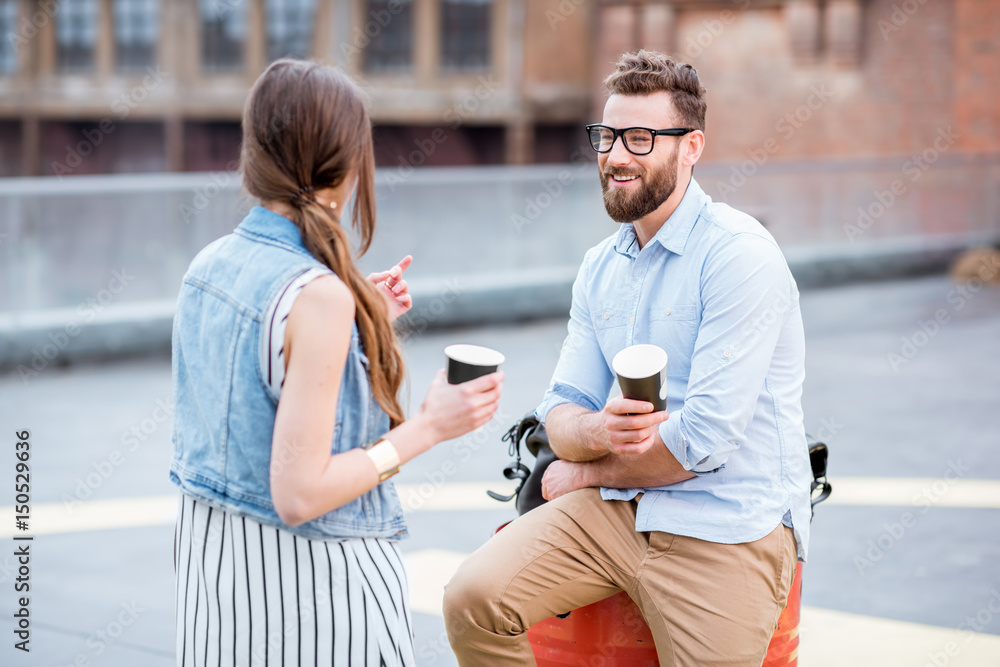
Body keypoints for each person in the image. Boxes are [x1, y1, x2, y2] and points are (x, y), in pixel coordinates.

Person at [443, 50, 811, 666]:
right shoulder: (600, 266)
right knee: (472, 600)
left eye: (640, 138)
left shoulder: (739, 256)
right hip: (615, 515)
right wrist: (594, 429)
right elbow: (560, 410)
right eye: (606, 136)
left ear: (691, 147)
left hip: (726, 525)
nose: (615, 156)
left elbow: (704, 443)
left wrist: (584, 470)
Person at [168, 59, 503, 667]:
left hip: (215, 588)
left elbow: (253, 390)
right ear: (347, 163)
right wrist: (429, 425)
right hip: (312, 597)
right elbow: (299, 494)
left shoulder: (208, 265)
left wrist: (355, 323)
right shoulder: (318, 296)